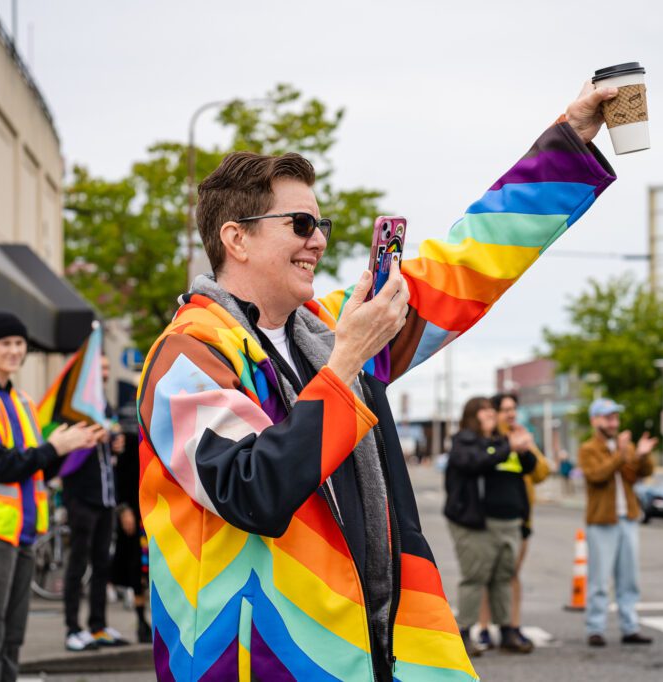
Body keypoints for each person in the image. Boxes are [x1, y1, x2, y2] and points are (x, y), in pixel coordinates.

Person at [137, 80, 620, 681]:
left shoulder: (330, 331)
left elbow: (460, 268)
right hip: (250, 666)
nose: (318, 240)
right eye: (299, 223)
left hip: (365, 653)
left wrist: (568, 141)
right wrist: (345, 367)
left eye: (321, 224)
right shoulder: (186, 355)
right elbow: (250, 489)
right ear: (236, 237)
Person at [0, 311, 102, 682]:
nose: (14, 350)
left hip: (21, 532)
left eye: (19, 343)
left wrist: (74, 445)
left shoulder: (19, 400)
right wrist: (53, 448)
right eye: (5, 343)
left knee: (10, 639)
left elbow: (37, 468)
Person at [445, 397, 537, 656]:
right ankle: (463, 633)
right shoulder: (465, 441)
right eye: (483, 410)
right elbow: (472, 462)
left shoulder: (500, 441)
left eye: (490, 409)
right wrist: (508, 445)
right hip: (477, 523)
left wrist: (525, 447)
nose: (489, 414)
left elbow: (529, 468)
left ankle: (506, 630)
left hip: (510, 521)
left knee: (503, 577)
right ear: (472, 415)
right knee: (475, 577)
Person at [61, 355, 129, 651]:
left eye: (106, 367)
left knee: (103, 564)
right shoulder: (74, 406)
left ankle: (98, 625)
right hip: (82, 497)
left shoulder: (105, 404)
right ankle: (73, 629)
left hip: (106, 497)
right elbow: (65, 446)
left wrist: (117, 442)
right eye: (99, 368)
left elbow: (114, 439)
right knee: (78, 564)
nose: (104, 373)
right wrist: (93, 436)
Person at [579, 398, 657, 647]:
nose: (613, 422)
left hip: (628, 518)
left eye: (615, 417)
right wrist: (619, 455)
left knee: (629, 577)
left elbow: (640, 474)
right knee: (599, 579)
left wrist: (642, 456)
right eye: (607, 417)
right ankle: (596, 628)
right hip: (602, 521)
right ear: (595, 420)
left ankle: (630, 626)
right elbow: (596, 475)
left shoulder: (626, 446)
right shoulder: (589, 449)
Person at [476, 393, 549, 651]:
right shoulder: (489, 439)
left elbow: (542, 472)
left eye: (513, 409)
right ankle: (484, 628)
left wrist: (527, 445)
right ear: (495, 413)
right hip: (489, 517)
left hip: (520, 516)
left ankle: (512, 626)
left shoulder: (523, 437)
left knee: (511, 574)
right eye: (505, 409)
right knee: (488, 574)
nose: (511, 414)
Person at [109, 404, 152, 644]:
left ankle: (148, 623)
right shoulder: (127, 443)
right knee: (137, 571)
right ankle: (141, 621)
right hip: (135, 516)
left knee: (149, 572)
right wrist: (124, 508)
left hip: (151, 513)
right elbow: (120, 480)